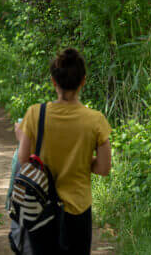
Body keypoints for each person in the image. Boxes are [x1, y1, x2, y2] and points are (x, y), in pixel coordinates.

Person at [16, 49, 111, 254]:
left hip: (41, 207)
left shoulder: (35, 113)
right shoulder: (96, 120)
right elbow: (104, 168)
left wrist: (20, 137)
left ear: (53, 81)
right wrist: (83, 160)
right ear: (83, 81)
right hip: (78, 210)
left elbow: (24, 160)